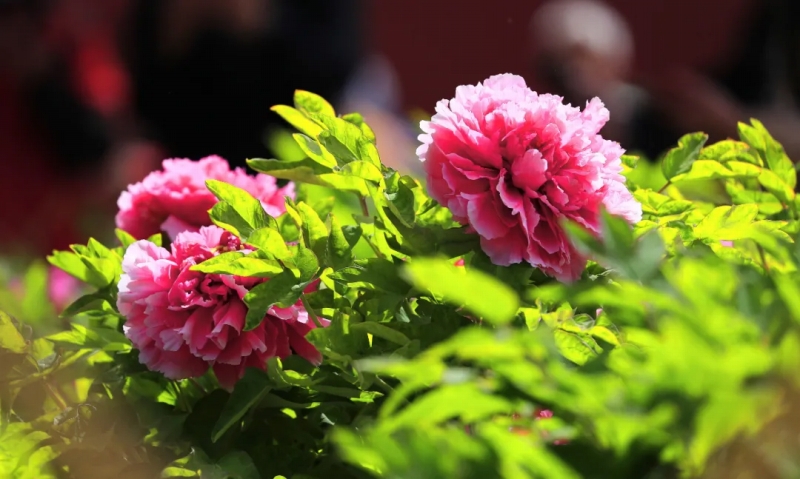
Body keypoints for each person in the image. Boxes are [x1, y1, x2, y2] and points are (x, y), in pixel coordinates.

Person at [125, 0, 363, 169]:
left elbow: (335, 70)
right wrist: (175, 29)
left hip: (293, 155)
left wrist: (263, 21)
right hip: (189, 159)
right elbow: (144, 92)